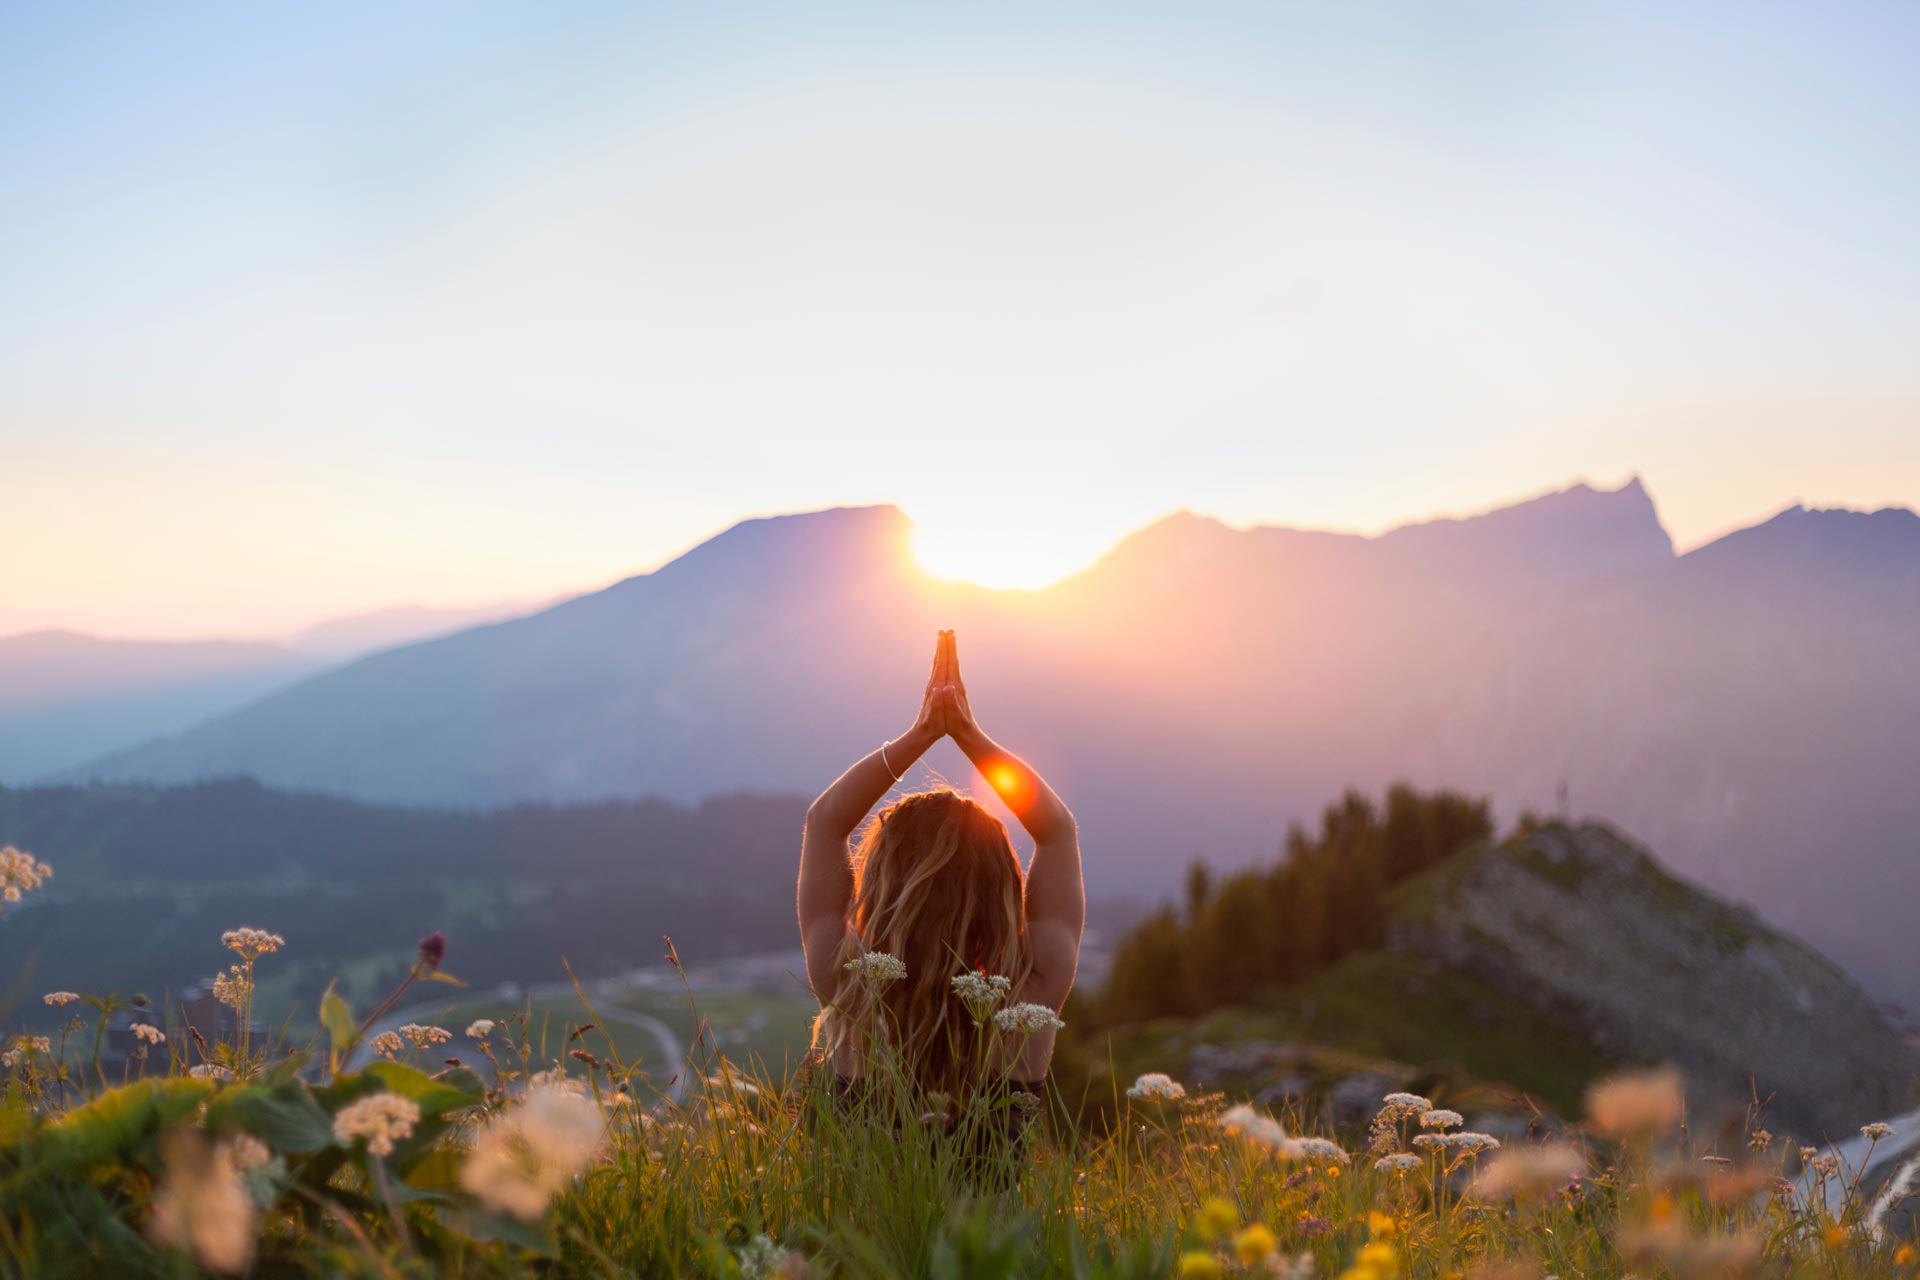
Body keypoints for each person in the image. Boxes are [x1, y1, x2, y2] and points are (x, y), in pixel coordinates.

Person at [797, 630, 1084, 1119]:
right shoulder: (1027, 1001)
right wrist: (970, 735)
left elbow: (824, 822)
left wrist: (920, 735)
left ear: (885, 883)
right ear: (1001, 891)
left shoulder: (850, 992)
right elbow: (1057, 831)